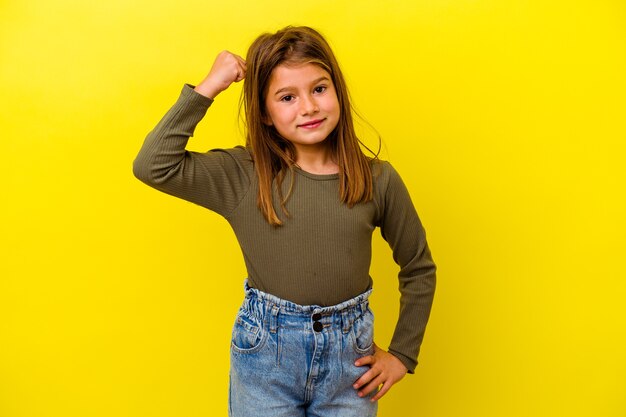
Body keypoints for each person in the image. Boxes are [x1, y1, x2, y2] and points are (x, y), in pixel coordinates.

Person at [133, 25, 436, 417]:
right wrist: (209, 86)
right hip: (266, 360)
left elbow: (419, 267)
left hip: (350, 363)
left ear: (338, 93)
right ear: (265, 113)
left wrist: (402, 354)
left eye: (319, 89)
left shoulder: (377, 179)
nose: (308, 107)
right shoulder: (243, 175)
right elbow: (153, 165)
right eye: (287, 97)